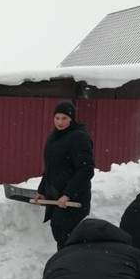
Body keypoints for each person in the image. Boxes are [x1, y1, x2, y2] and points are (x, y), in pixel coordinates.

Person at [36, 100, 94, 250]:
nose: (60, 122)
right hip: (57, 197)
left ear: (72, 119)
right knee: (59, 233)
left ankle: (72, 265)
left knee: (65, 232)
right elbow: (50, 168)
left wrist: (68, 194)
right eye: (57, 118)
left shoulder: (79, 137)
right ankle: (66, 265)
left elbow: (86, 170)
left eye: (64, 118)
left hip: (75, 198)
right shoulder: (53, 137)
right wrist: (42, 190)